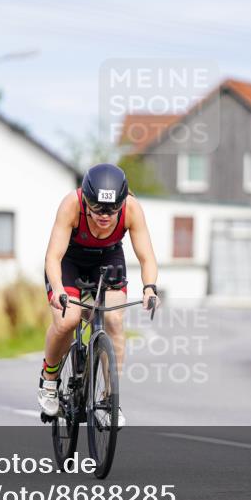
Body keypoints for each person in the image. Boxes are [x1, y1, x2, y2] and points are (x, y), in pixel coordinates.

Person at [38, 163, 159, 427]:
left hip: (108, 257)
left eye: (112, 209)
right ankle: (48, 381)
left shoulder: (132, 208)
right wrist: (58, 289)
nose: (105, 216)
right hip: (69, 260)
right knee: (67, 320)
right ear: (87, 200)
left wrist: (149, 287)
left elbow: (147, 256)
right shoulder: (71, 204)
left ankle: (108, 401)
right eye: (97, 209)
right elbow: (53, 256)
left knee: (114, 321)